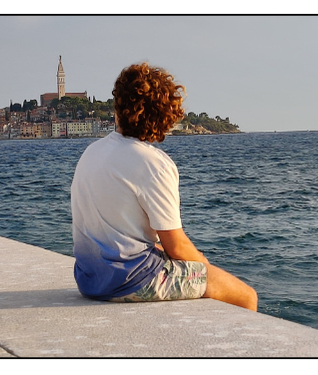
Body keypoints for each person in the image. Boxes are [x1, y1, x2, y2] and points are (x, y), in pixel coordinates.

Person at [71, 62, 258, 312]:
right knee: (246, 296)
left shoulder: (92, 152)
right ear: (164, 117)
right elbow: (177, 246)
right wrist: (205, 267)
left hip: (89, 279)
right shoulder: (154, 164)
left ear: (118, 108)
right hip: (132, 282)